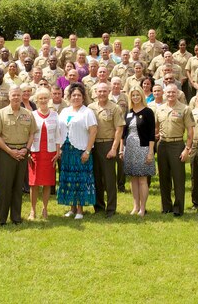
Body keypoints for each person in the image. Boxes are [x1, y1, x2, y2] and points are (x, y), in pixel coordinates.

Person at [0, 86, 37, 225]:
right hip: (6, 153)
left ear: (22, 96)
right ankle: (2, 219)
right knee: (5, 186)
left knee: (18, 186)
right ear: (9, 97)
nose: (16, 97)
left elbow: (32, 133)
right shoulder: (1, 113)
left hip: (22, 153)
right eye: (14, 95)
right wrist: (9, 151)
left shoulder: (28, 114)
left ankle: (16, 217)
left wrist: (26, 149)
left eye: (18, 95)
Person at [58, 83, 97, 220]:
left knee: (80, 180)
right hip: (67, 151)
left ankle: (80, 210)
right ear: (69, 97)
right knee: (69, 180)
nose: (76, 98)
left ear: (83, 97)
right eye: (73, 95)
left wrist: (87, 151)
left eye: (79, 95)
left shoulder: (87, 112)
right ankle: (72, 208)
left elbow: (93, 132)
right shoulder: (64, 111)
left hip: (80, 151)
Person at [155, 84, 194, 216]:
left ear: (177, 94)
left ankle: (178, 208)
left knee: (178, 178)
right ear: (164, 94)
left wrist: (187, 149)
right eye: (168, 93)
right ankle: (166, 207)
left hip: (177, 144)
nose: (170, 95)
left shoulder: (185, 109)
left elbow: (190, 132)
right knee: (163, 177)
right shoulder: (159, 109)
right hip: (162, 145)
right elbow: (156, 127)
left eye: (173, 92)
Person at [89, 83, 125, 218]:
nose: (102, 93)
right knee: (96, 177)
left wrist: (114, 148)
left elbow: (119, 129)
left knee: (109, 179)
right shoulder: (90, 108)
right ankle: (98, 207)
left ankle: (111, 208)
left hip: (108, 144)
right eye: (100, 91)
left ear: (109, 92)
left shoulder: (115, 108)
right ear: (96, 92)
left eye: (105, 91)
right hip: (94, 145)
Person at [121, 86, 156, 217]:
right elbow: (123, 133)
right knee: (133, 178)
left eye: (137, 95)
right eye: (133, 95)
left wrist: (150, 152)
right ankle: (135, 206)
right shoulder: (128, 112)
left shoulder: (148, 112)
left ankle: (143, 208)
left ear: (142, 95)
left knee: (142, 179)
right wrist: (121, 150)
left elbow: (152, 133)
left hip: (143, 148)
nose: (135, 97)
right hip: (129, 148)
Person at [28, 88, 61, 220]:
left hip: (50, 153)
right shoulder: (32, 115)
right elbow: (28, 134)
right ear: (37, 100)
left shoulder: (54, 115)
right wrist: (28, 150)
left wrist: (58, 151)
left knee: (47, 183)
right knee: (34, 183)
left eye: (45, 98)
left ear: (49, 99)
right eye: (40, 98)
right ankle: (32, 210)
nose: (43, 101)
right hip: (35, 152)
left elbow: (58, 134)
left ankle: (45, 209)